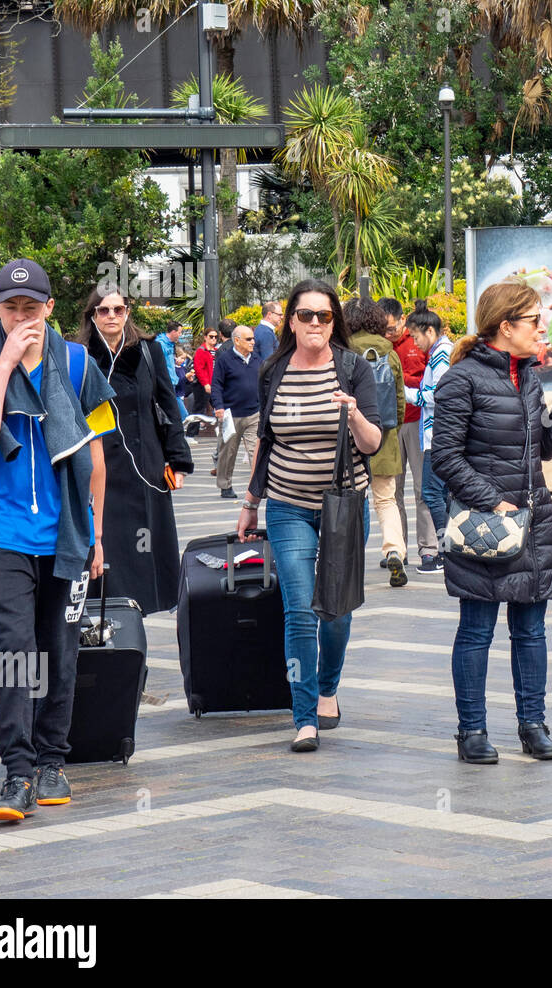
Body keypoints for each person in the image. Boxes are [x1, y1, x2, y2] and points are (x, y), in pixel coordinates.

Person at [0, 259, 116, 822]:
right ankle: (17, 772)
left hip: (67, 531)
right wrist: (3, 365)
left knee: (60, 651)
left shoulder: (76, 362)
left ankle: (52, 762)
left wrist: (97, 536)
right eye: (10, 306)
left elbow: (95, 458)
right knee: (15, 650)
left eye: (31, 307)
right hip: (1, 532)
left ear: (49, 308)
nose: (22, 316)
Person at [431, 281, 552, 764]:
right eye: (534, 320)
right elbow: (445, 457)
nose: (543, 328)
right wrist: (492, 501)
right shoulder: (462, 378)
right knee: (476, 629)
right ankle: (471, 730)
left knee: (531, 631)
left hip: (533, 523)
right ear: (505, 327)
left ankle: (532, 724)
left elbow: (544, 451)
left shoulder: (530, 376)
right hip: (486, 525)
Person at [236, 279, 382, 753]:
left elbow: (373, 444)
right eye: (306, 315)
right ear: (291, 322)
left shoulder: (354, 369)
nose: (315, 323)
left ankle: (327, 688)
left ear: (334, 321)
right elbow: (266, 439)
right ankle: (303, 718)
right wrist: (250, 502)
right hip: (286, 504)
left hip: (345, 504)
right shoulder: (273, 370)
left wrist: (354, 414)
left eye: (324, 315)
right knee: (299, 610)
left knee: (335, 609)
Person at [78, 286, 194, 614]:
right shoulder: (78, 355)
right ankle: (108, 617)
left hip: (145, 464)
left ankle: (135, 623)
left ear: (128, 312)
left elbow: (168, 404)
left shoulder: (147, 350)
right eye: (104, 310)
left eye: (119, 309)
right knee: (107, 546)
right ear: (93, 315)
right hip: (99, 466)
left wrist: (178, 460)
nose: (112, 315)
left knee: (143, 551)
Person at [343, 298, 408, 587]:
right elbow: (400, 400)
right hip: (386, 436)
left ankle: (347, 556)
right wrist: (393, 430)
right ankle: (394, 548)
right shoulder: (390, 352)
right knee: (386, 500)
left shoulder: (342, 352)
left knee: (350, 499)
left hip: (350, 438)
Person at [380, 297, 438, 568]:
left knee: (421, 489)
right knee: (393, 491)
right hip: (389, 424)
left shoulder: (418, 341)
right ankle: (397, 550)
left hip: (415, 421)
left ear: (403, 320)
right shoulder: (379, 346)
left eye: (392, 328)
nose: (388, 334)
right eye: (384, 330)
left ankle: (428, 548)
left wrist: (401, 380)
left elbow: (432, 379)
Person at [404, 300, 454, 574]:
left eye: (415, 336)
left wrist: (406, 394)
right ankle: (450, 551)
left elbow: (439, 394)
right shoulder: (441, 351)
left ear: (429, 331)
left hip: (439, 437)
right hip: (438, 435)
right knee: (441, 494)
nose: (414, 343)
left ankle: (447, 552)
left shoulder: (441, 354)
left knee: (432, 493)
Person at [211, 325, 262, 500]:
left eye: (253, 338)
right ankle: (225, 486)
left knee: (256, 450)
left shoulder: (256, 358)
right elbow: (216, 385)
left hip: (254, 413)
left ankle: (258, 486)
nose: (253, 342)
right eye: (249, 339)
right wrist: (219, 406)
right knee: (228, 452)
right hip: (231, 414)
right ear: (237, 340)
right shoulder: (225, 360)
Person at [189, 326, 219, 416]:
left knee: (219, 407)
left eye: (215, 337)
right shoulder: (201, 351)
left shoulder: (216, 351)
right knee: (198, 410)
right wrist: (206, 383)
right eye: (211, 336)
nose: (214, 339)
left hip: (213, 384)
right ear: (205, 337)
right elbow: (199, 369)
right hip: (202, 386)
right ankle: (192, 430)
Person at [155, 320, 181, 390]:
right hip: (165, 383)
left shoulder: (170, 344)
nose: (180, 335)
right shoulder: (160, 344)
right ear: (173, 332)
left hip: (171, 381)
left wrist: (175, 360)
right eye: (179, 333)